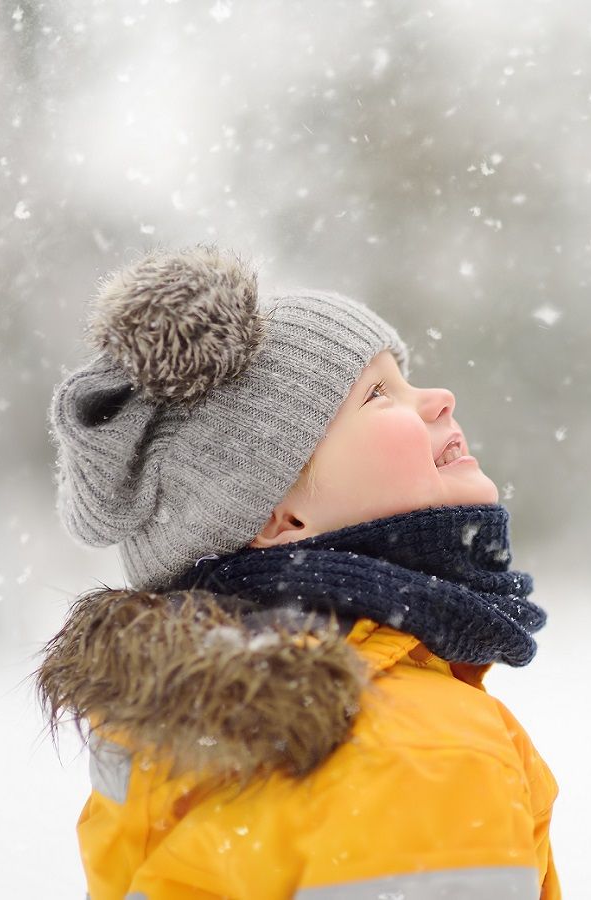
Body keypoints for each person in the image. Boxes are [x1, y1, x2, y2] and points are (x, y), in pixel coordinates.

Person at [36, 243, 560, 899]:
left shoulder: (188, 738)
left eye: (405, 377)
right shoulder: (417, 753)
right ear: (279, 520)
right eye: (378, 394)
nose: (439, 398)